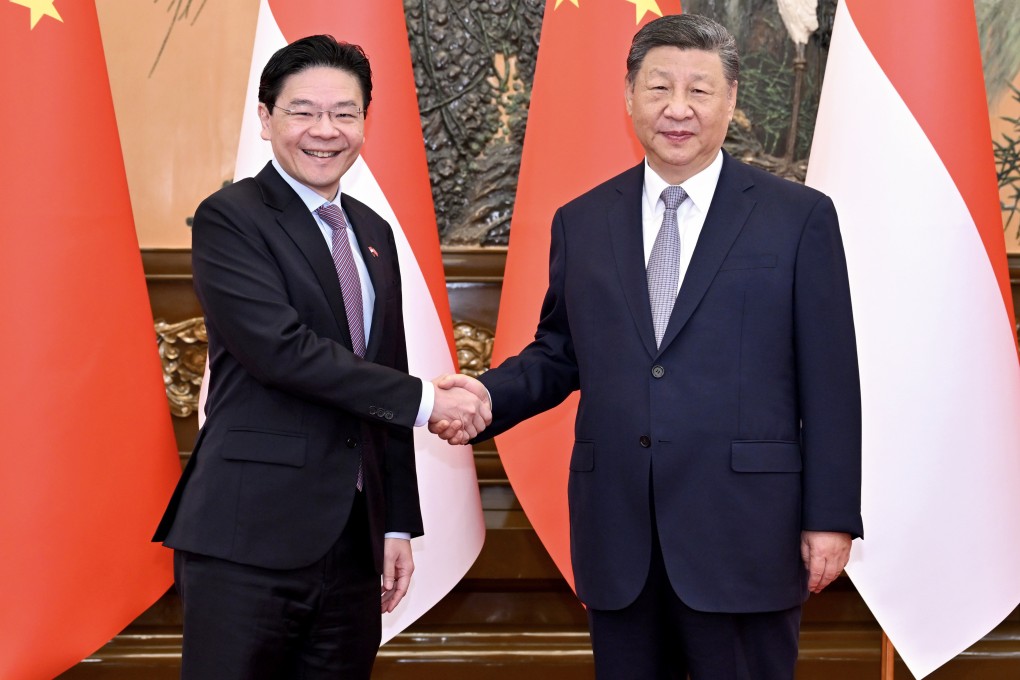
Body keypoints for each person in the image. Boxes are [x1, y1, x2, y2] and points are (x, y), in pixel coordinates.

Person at [435, 13, 862, 680]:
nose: (678, 109)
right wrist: (488, 394)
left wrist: (831, 518)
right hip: (621, 535)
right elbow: (561, 352)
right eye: (660, 88)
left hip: (745, 532)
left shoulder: (797, 217)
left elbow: (831, 380)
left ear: (731, 101)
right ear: (629, 96)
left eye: (699, 90)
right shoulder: (583, 220)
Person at [153, 35, 489, 679]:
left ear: (365, 121)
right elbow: (280, 352)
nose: (324, 131)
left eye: (345, 113)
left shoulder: (371, 231)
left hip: (354, 544)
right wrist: (429, 400)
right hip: (247, 537)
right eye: (303, 111)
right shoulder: (231, 218)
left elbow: (383, 374)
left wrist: (395, 527)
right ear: (266, 117)